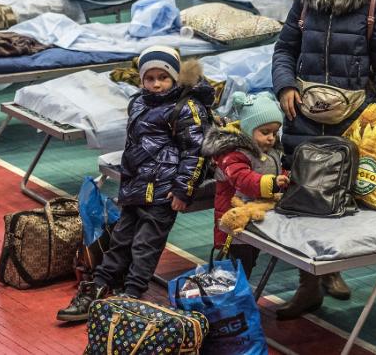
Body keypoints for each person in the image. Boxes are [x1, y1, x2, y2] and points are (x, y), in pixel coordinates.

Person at [271, 0, 376, 318]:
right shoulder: (305, 1)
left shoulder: (375, 6)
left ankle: (333, 269)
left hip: (351, 120)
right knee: (304, 198)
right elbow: (283, 51)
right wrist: (285, 86)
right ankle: (307, 284)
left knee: (345, 202)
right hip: (305, 118)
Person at [57, 46, 213, 322]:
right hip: (134, 188)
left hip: (164, 192)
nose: (155, 84)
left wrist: (182, 189)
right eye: (149, 78)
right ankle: (98, 286)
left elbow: (195, 152)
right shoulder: (138, 102)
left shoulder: (186, 108)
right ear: (141, 80)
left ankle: (131, 295)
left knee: (145, 245)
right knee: (120, 240)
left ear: (174, 78)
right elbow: (134, 145)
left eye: (162, 78)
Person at [202, 91, 287, 278]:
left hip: (256, 218)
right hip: (233, 223)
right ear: (249, 129)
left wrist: (287, 178)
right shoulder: (233, 154)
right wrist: (271, 183)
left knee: (249, 261)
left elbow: (277, 172)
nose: (271, 137)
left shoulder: (271, 151)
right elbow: (242, 178)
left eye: (274, 132)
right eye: (265, 132)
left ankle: (238, 297)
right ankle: (228, 300)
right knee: (235, 266)